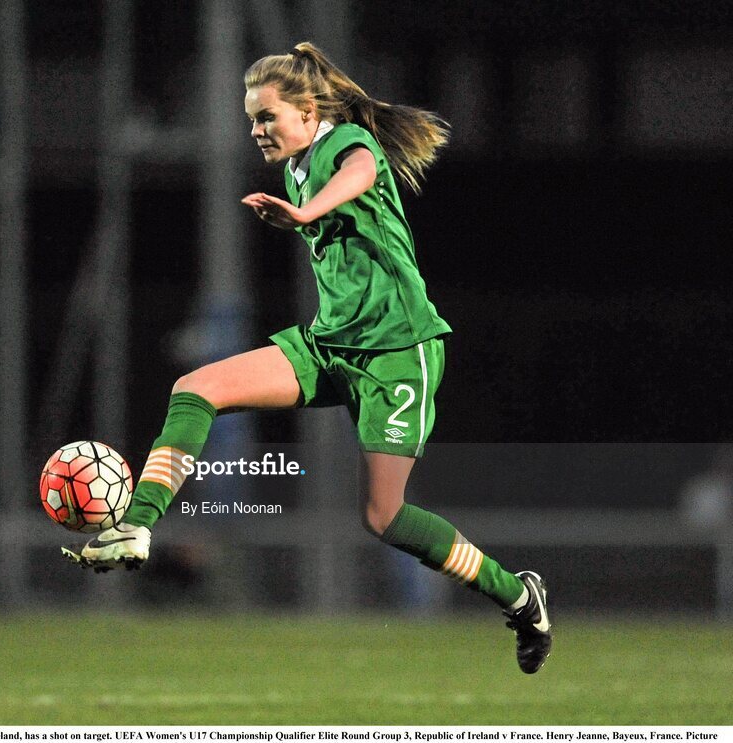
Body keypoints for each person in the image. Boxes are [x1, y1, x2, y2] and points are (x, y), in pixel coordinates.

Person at [64, 42, 552, 673]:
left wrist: (307, 213)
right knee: (197, 387)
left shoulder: (345, 141)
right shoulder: (295, 164)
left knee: (385, 517)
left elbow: (361, 175)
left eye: (267, 117)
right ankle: (134, 524)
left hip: (397, 352)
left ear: (308, 111)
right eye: (251, 119)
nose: (257, 130)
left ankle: (518, 596)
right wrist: (300, 206)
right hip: (329, 343)